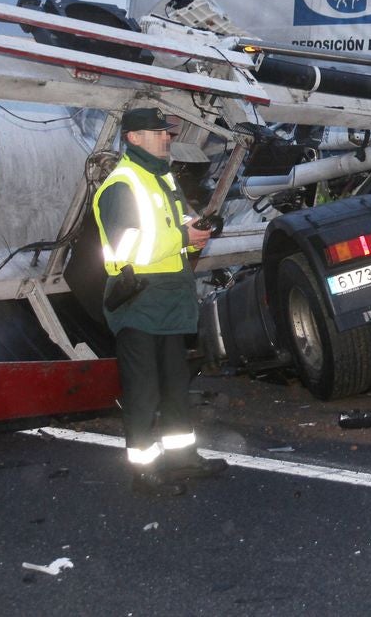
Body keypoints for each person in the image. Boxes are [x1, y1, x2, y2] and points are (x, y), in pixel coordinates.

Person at [92, 106, 228, 496]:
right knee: (143, 392)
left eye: (166, 132)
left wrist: (195, 227)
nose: (166, 137)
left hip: (168, 296)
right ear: (134, 138)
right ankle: (145, 475)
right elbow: (126, 247)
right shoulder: (122, 184)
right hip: (140, 300)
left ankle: (181, 458)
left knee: (174, 386)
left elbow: (170, 224)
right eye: (157, 133)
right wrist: (183, 240)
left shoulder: (161, 176)